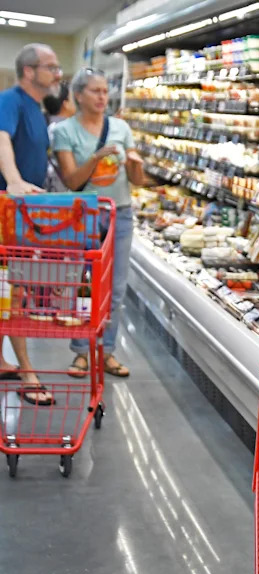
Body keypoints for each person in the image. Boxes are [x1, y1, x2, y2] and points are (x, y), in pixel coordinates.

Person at [53, 68, 145, 379]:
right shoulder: (65, 131)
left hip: (120, 213)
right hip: (84, 215)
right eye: (95, 91)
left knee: (116, 289)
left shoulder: (121, 127)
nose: (102, 97)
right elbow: (72, 180)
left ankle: (106, 351)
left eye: (105, 91)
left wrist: (136, 166)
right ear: (78, 95)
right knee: (82, 286)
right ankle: (81, 352)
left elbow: (136, 181)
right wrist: (97, 157)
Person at [0, 43, 64, 406]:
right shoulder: (10, 100)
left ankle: (4, 359)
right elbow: (1, 138)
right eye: (51, 67)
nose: (57, 74)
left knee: (8, 291)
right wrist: (13, 179)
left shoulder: (37, 109)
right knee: (16, 291)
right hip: (7, 210)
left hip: (24, 213)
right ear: (29, 71)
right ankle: (27, 372)